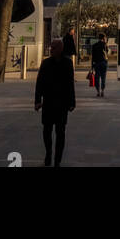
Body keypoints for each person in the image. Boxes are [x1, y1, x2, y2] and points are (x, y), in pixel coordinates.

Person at [35, 38, 76, 167]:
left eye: (54, 48)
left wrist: (72, 102)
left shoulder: (68, 63)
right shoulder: (46, 63)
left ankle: (57, 159)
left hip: (62, 103)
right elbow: (39, 82)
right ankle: (48, 153)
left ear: (60, 49)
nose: (51, 50)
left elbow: (70, 84)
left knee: (60, 132)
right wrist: (37, 100)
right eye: (50, 48)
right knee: (46, 130)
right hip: (48, 101)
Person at [90, 32, 109, 97]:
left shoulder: (94, 45)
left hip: (97, 63)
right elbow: (107, 52)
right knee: (103, 77)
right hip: (103, 63)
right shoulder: (104, 45)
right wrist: (105, 42)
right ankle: (102, 91)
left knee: (97, 78)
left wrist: (92, 66)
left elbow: (93, 56)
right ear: (103, 38)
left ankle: (98, 91)